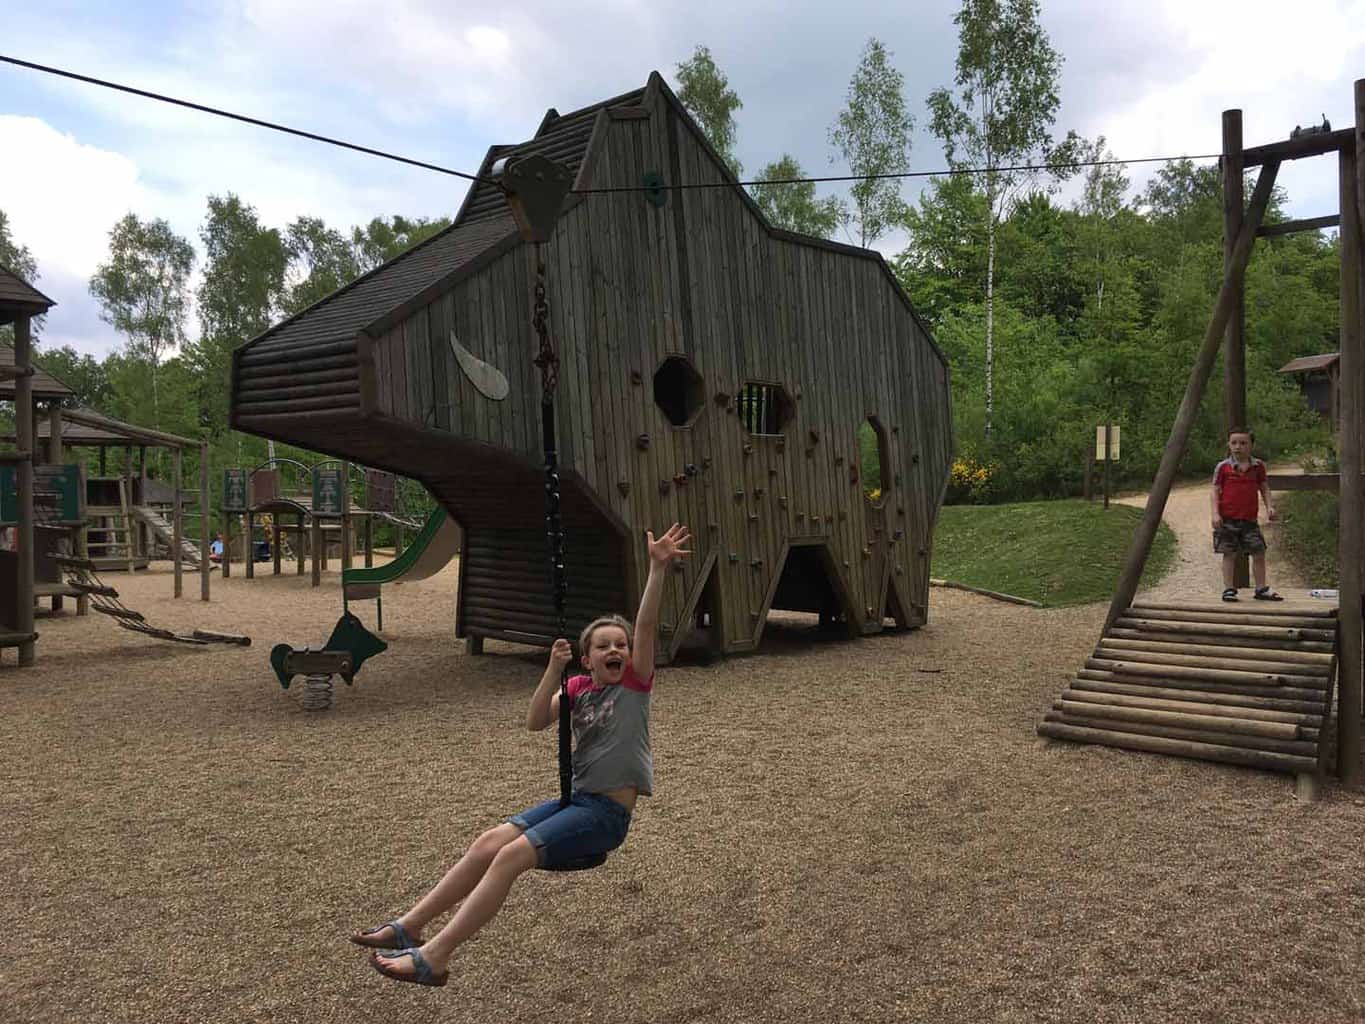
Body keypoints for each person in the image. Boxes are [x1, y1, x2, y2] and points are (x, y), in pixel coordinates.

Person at [352, 522, 693, 987]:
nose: (616, 649)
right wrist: (553, 670)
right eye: (603, 646)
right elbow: (535, 721)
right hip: (575, 802)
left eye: (622, 644)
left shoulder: (634, 685)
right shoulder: (576, 689)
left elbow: (648, 623)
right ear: (586, 659)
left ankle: (435, 955)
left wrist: (658, 568)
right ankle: (408, 927)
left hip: (606, 814)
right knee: (488, 843)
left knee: (510, 857)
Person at [1211, 427, 1281, 602]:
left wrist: (1270, 506)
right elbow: (1215, 491)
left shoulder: (1258, 467)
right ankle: (1228, 589)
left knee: (1258, 552)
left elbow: (1264, 488)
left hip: (1249, 519)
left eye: (1243, 443)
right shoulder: (1223, 467)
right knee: (1229, 554)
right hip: (1228, 519)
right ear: (1229, 444)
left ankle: (1260, 588)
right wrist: (1215, 514)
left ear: (1251, 445)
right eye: (1234, 442)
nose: (1238, 447)